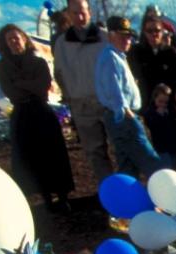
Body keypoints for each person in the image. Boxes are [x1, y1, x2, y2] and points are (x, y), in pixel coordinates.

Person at [0, 23, 74, 210]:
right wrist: (27, 85)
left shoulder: (38, 62)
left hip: (42, 112)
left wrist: (20, 82)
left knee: (53, 154)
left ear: (24, 38)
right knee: (31, 157)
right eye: (10, 39)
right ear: (5, 43)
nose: (14, 42)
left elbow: (42, 86)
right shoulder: (3, 66)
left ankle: (62, 196)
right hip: (22, 114)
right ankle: (45, 197)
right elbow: (11, 92)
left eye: (17, 37)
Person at [53, 0, 114, 181]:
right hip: (82, 107)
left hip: (108, 103)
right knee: (94, 153)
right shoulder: (62, 44)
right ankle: (110, 193)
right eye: (74, 13)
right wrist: (70, 96)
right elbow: (59, 74)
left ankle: (130, 189)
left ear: (90, 12)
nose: (79, 17)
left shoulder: (105, 38)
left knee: (121, 148)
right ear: (69, 15)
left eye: (83, 12)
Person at [95, 16, 162, 178]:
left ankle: (129, 202)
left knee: (127, 164)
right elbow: (115, 91)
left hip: (119, 117)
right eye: (123, 35)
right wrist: (128, 114)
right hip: (123, 117)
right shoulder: (111, 58)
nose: (128, 39)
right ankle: (168, 197)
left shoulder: (115, 56)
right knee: (151, 162)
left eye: (129, 36)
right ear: (111, 35)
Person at [127, 14, 176, 107]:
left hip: (166, 105)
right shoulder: (135, 52)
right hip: (142, 103)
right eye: (149, 31)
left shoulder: (172, 53)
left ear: (162, 32)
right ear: (144, 32)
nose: (154, 34)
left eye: (157, 30)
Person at [144, 83, 176, 168]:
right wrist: (158, 116)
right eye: (160, 101)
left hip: (173, 147)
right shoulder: (150, 112)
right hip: (160, 148)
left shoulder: (171, 111)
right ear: (154, 98)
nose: (163, 105)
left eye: (165, 102)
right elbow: (150, 126)